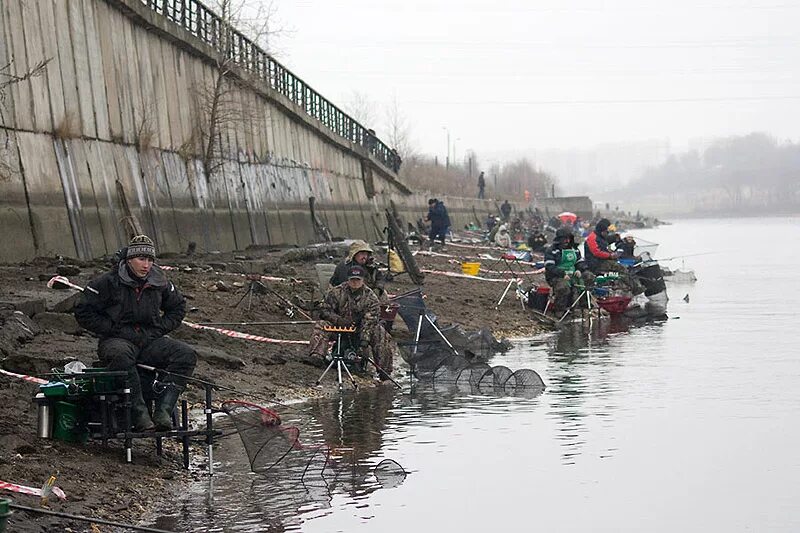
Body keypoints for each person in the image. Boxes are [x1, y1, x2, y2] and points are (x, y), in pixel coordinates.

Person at [74, 235, 197, 431]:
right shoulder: (107, 282)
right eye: (141, 259)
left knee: (185, 354)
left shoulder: (161, 282)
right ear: (130, 260)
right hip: (116, 339)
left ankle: (164, 410)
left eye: (150, 260)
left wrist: (159, 329)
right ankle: (139, 413)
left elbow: (178, 307)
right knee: (120, 355)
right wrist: (111, 328)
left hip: (150, 340)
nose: (146, 265)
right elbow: (83, 311)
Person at [309, 265, 396, 380]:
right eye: (352, 279)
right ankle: (317, 356)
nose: (355, 282)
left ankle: (384, 371)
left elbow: (370, 320)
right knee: (321, 324)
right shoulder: (336, 292)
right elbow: (324, 310)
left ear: (363, 280)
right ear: (348, 279)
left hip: (361, 329)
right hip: (338, 327)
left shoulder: (371, 297)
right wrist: (338, 320)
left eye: (358, 280)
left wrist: (364, 341)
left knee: (381, 332)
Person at [584, 219, 643, 294]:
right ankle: (634, 289)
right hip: (596, 263)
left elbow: (605, 244)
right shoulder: (592, 238)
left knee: (622, 267)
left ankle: (626, 289)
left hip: (603, 260)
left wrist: (614, 242)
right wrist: (610, 255)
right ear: (602, 231)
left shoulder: (600, 237)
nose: (607, 233)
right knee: (621, 268)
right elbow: (596, 252)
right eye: (606, 232)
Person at [544, 228, 596, 313]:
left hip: (574, 274)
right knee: (563, 286)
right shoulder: (551, 250)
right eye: (564, 239)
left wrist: (579, 269)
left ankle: (585, 303)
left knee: (588, 277)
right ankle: (560, 309)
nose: (567, 241)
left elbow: (580, 262)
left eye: (568, 239)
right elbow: (549, 266)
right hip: (556, 276)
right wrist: (562, 274)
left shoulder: (574, 249)